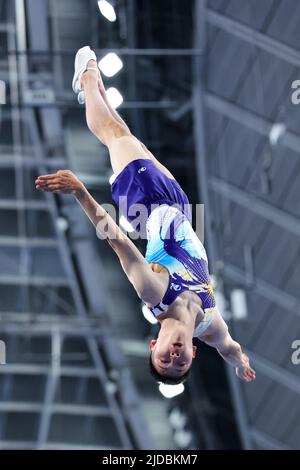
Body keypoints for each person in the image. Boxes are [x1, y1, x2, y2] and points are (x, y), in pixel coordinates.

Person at [35, 46, 256, 385]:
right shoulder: (209, 326)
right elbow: (229, 346)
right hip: (177, 204)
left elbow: (117, 240)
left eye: (163, 358)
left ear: (155, 343)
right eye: (179, 364)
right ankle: (95, 88)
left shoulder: (153, 293)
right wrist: (240, 362)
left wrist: (80, 191)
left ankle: (87, 78)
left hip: (146, 201)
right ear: (193, 354)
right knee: (125, 135)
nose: (174, 356)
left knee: (113, 135)